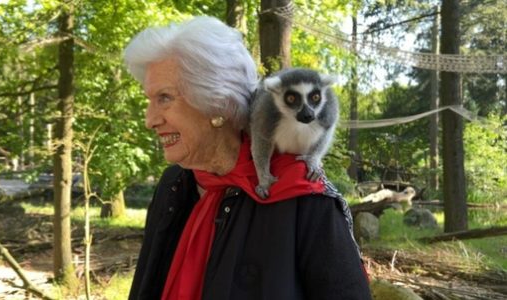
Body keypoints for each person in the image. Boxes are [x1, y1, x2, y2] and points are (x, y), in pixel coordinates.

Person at [123, 16, 372, 300]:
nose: (149, 120)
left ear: (216, 102)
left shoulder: (302, 196)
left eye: (164, 98)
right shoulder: (174, 185)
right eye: (150, 100)